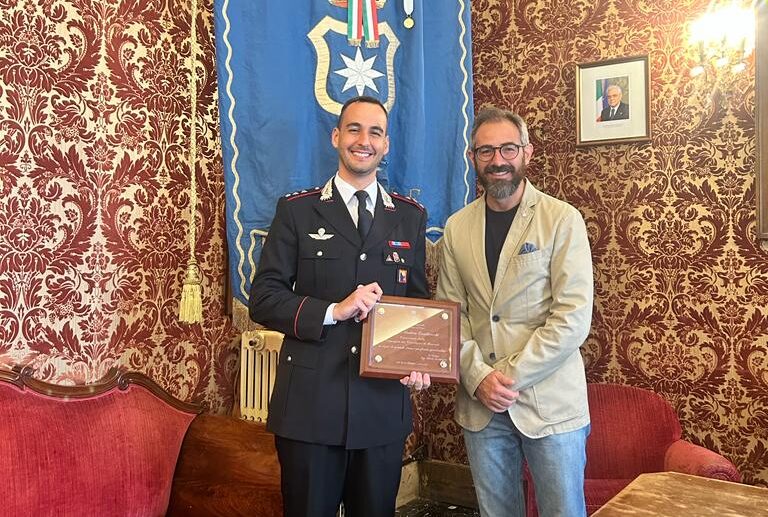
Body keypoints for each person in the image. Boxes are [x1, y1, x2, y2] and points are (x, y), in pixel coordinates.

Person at [249, 95, 432, 517]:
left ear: (386, 144)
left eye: (375, 132)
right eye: (354, 129)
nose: (364, 141)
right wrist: (334, 311)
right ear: (336, 137)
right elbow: (264, 297)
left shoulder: (409, 217)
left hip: (381, 409)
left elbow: (416, 303)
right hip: (311, 407)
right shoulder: (297, 210)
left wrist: (418, 359)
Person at [436, 107, 594, 517]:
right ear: (472, 157)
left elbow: (572, 318)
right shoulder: (456, 227)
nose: (497, 160)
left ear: (527, 152)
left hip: (549, 404)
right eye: (485, 151)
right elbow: (450, 314)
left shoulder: (562, 219)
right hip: (481, 408)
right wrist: (478, 378)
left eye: (508, 148)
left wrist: (505, 378)